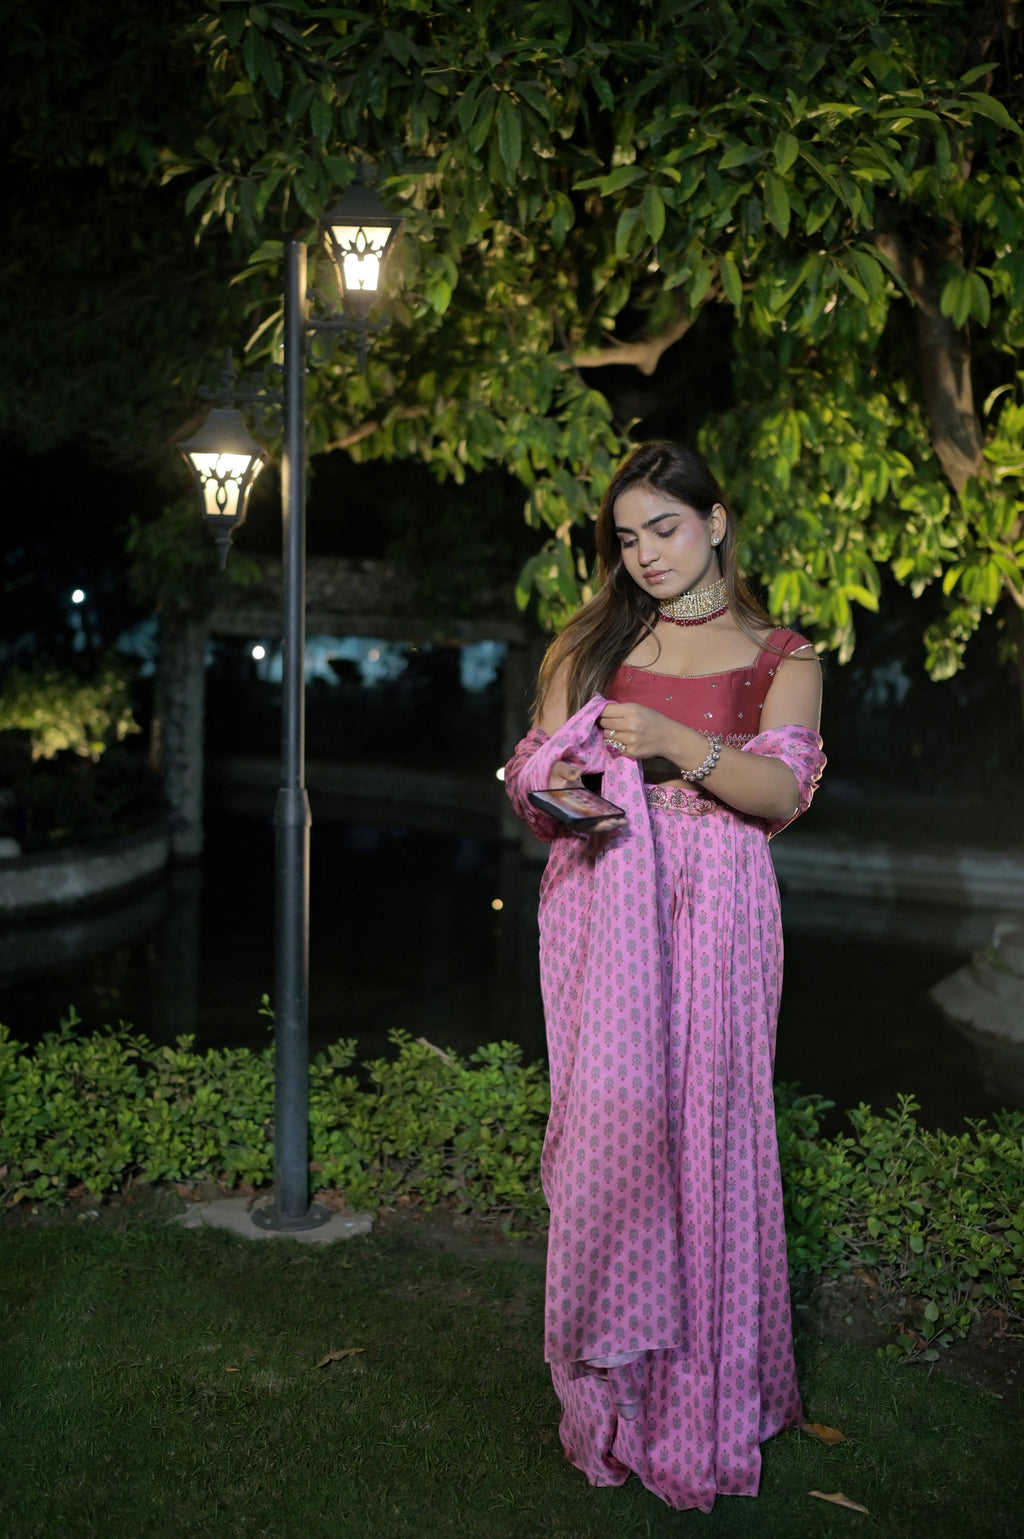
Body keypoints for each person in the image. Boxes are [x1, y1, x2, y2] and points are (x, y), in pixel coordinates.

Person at [504, 441, 825, 1512]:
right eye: (626, 536)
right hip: (608, 903)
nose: (643, 554)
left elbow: (779, 795)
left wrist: (677, 744)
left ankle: (706, 1402)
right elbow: (539, 782)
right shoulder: (587, 643)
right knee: (613, 1131)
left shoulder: (783, 654)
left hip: (723, 909)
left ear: (717, 521)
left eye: (665, 528)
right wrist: (566, 792)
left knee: (711, 1138)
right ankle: (611, 1402)